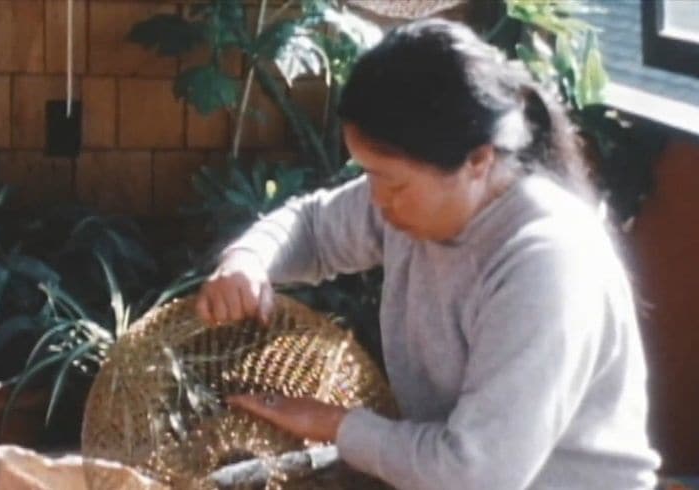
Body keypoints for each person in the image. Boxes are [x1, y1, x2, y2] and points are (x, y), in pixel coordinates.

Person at [196, 18, 661, 490]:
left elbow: (475, 474)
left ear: (478, 160)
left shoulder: (548, 262)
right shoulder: (421, 198)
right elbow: (313, 226)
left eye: (393, 182)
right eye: (370, 175)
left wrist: (336, 425)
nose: (376, 201)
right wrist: (249, 261)